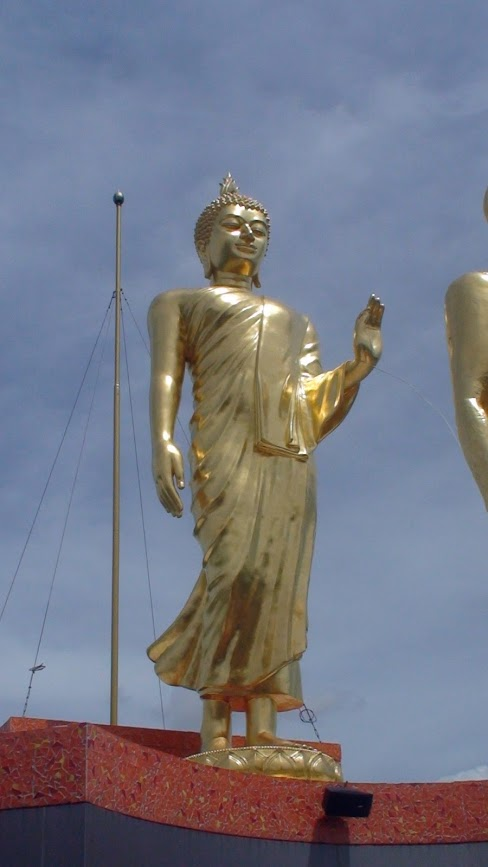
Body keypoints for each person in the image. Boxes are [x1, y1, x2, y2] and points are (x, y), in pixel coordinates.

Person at [147, 175, 384, 752]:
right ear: (205, 245)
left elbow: (310, 403)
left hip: (286, 462)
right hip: (223, 454)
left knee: (274, 584)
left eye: (260, 231)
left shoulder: (294, 320)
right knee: (233, 575)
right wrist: (161, 439)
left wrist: (358, 366)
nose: (249, 237)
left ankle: (264, 730)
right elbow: (165, 377)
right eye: (235, 227)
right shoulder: (180, 303)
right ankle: (214, 733)